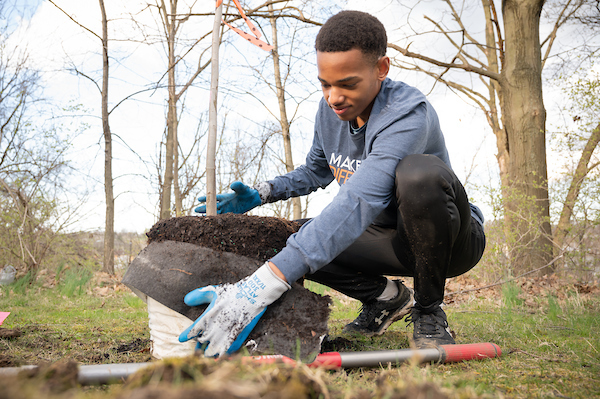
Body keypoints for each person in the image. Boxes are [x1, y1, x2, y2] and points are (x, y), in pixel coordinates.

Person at [179, 10, 486, 358]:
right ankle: (385, 298)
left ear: (381, 69)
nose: (333, 97)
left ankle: (429, 312)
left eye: (348, 84)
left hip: (450, 241)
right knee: (282, 235)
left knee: (418, 175)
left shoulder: (407, 113)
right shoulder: (331, 113)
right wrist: (262, 193)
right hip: (386, 239)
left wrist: (260, 285)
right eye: (325, 83)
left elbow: (359, 199)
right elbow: (316, 170)